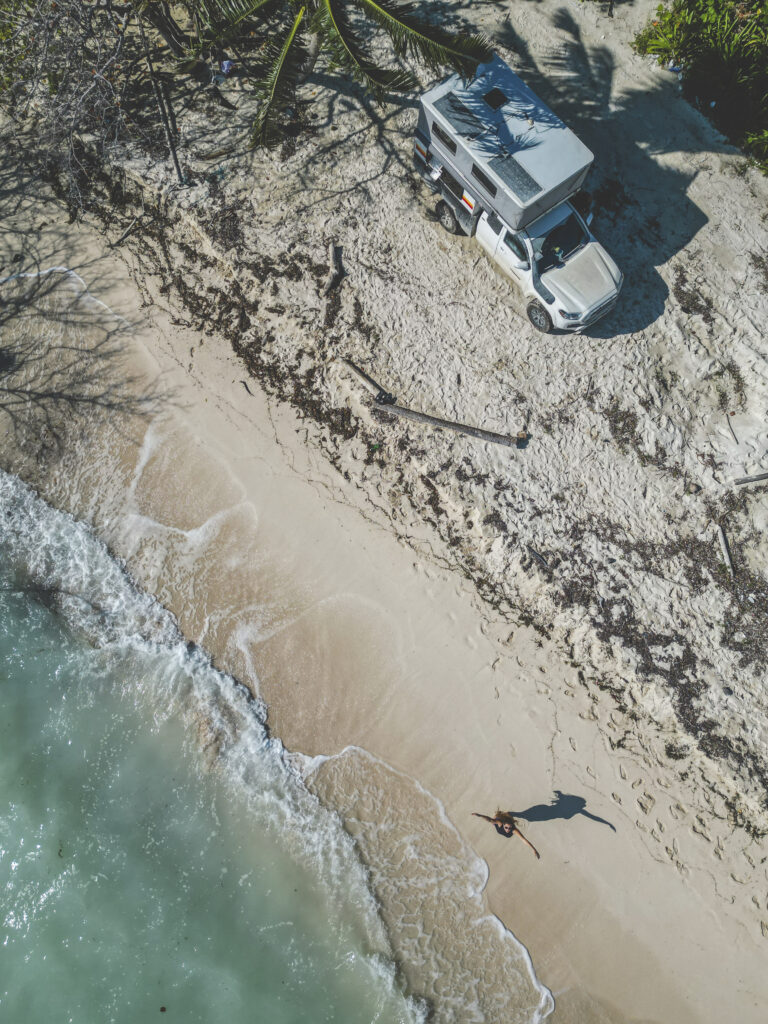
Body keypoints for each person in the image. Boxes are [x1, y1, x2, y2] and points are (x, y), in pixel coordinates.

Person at [472, 810, 540, 859]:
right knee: (495, 818)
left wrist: (534, 849)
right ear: (503, 824)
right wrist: (479, 815)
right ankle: (504, 814)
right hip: (498, 822)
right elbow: (489, 819)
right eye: (506, 827)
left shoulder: (514, 830)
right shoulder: (500, 823)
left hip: (502, 822)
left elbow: (524, 839)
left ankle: (506, 815)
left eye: (509, 828)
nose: (508, 829)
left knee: (504, 817)